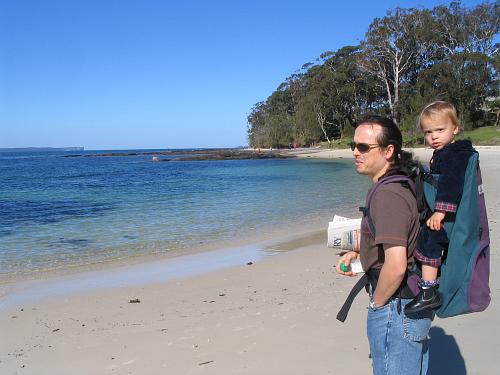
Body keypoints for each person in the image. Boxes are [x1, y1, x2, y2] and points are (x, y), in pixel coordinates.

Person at [336, 115, 432, 375]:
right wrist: (359, 251)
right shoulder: (399, 183)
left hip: (395, 306)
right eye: (353, 145)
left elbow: (397, 265)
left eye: (364, 147)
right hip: (408, 302)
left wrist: (377, 304)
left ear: (389, 151)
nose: (355, 152)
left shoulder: (389, 194)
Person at [404, 101, 475, 314]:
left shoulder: (456, 154)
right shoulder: (445, 152)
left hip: (445, 215)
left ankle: (428, 292)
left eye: (440, 130)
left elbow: (451, 183)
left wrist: (440, 211)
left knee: (429, 240)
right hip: (439, 213)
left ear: (455, 128)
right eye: (428, 132)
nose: (433, 136)